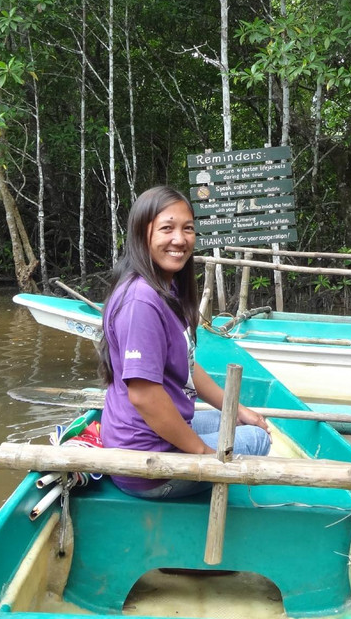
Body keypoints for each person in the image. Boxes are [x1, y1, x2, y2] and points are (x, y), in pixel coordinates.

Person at [97, 185, 271, 498]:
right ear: (142, 234)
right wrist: (203, 455)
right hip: (147, 465)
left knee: (236, 420)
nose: (180, 239)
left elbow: (187, 364)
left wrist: (238, 409)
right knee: (260, 439)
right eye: (167, 228)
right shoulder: (141, 300)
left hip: (141, 439)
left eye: (187, 229)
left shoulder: (164, 288)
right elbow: (144, 395)